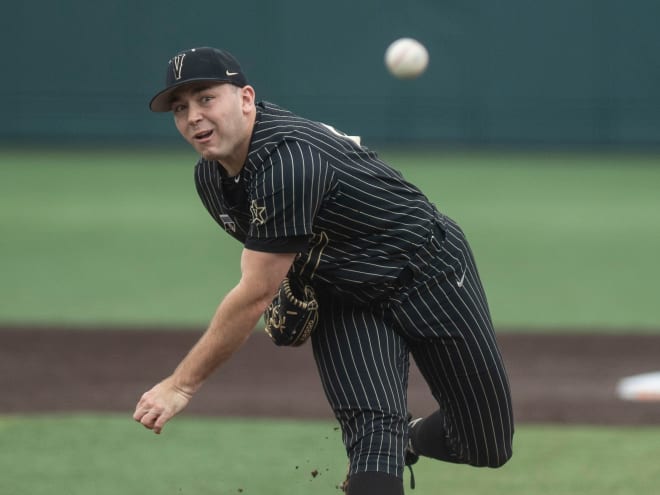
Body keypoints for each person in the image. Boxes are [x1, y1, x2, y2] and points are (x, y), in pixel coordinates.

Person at [133, 46, 514, 494]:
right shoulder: (211, 180)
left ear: (246, 98)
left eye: (205, 98)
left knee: (485, 445)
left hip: (429, 272)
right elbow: (276, 261)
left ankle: (406, 438)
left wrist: (181, 385)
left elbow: (255, 292)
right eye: (180, 108)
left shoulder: (289, 162)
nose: (193, 116)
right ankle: (387, 443)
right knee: (373, 437)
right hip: (345, 297)